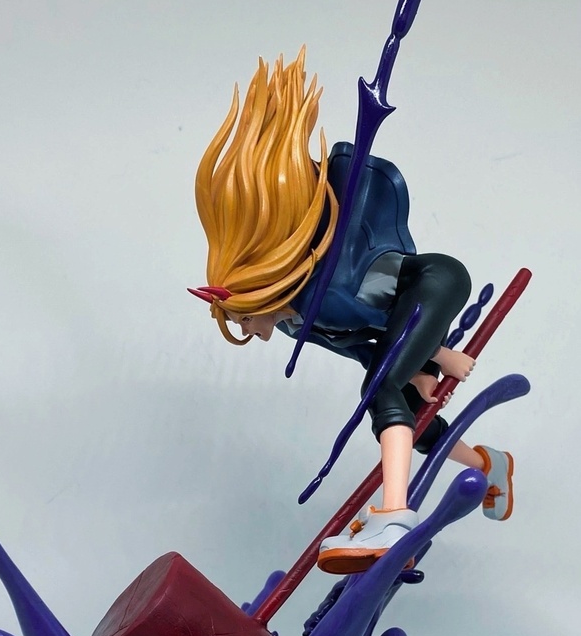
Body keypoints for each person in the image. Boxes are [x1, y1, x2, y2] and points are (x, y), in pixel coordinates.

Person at [191, 51, 514, 572]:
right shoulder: (296, 322)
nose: (256, 332)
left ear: (256, 297)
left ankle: (394, 516)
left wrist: (439, 356)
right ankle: (489, 463)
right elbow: (364, 347)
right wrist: (421, 370)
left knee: (381, 391)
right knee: (403, 411)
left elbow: (377, 324)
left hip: (435, 281)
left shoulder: (321, 293)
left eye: (246, 321)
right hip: (406, 319)